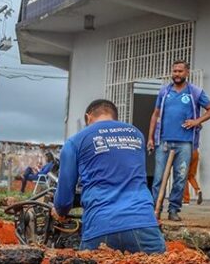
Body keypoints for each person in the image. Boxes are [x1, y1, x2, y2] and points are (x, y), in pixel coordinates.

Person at [54, 99, 166, 253]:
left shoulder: (75, 141)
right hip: (143, 223)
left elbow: (64, 198)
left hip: (100, 227)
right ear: (116, 117)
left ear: (88, 117)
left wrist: (60, 212)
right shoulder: (137, 135)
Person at [147, 61, 210, 221]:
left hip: (185, 143)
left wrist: (197, 121)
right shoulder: (164, 91)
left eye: (180, 71)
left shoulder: (195, 92)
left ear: (187, 73)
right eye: (174, 71)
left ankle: (174, 209)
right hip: (163, 142)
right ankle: (154, 209)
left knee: (180, 178)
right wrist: (150, 137)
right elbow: (155, 115)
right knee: (158, 178)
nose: (176, 74)